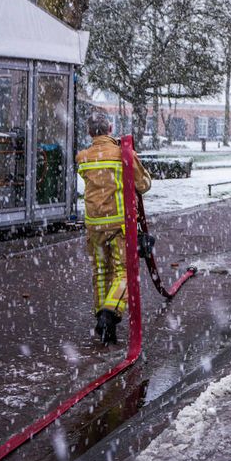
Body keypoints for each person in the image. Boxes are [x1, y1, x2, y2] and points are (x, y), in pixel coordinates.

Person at [76, 112, 152, 344]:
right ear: (110, 128)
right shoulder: (123, 154)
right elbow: (144, 184)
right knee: (124, 272)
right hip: (120, 224)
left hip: (94, 225)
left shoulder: (84, 157)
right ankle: (110, 314)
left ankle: (102, 320)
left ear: (90, 132)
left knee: (100, 272)